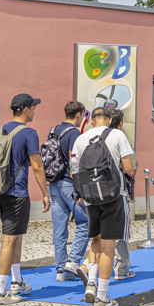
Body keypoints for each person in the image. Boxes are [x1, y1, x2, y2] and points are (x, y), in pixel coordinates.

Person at [70, 107, 135, 306]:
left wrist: (82, 193)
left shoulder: (80, 139)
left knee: (95, 239)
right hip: (113, 195)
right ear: (108, 120)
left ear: (92, 121)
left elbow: (74, 171)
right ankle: (102, 297)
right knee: (109, 244)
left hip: (90, 197)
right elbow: (129, 168)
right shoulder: (117, 135)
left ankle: (91, 282)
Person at [0, 93, 50, 304]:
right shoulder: (29, 133)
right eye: (33, 107)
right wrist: (45, 193)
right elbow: (37, 166)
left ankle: (17, 281)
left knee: (16, 236)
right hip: (17, 193)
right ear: (25, 109)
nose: (35, 111)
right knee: (9, 240)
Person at [47, 101, 88, 281]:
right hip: (68, 184)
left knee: (59, 229)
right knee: (85, 222)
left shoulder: (53, 130)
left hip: (54, 183)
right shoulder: (74, 133)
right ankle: (73, 262)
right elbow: (74, 163)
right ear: (78, 114)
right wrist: (80, 189)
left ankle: (60, 271)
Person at [109, 109, 136, 281]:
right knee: (121, 232)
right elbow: (131, 168)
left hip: (95, 191)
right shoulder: (119, 137)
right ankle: (122, 269)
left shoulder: (93, 136)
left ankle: (88, 266)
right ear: (120, 123)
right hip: (117, 190)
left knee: (99, 233)